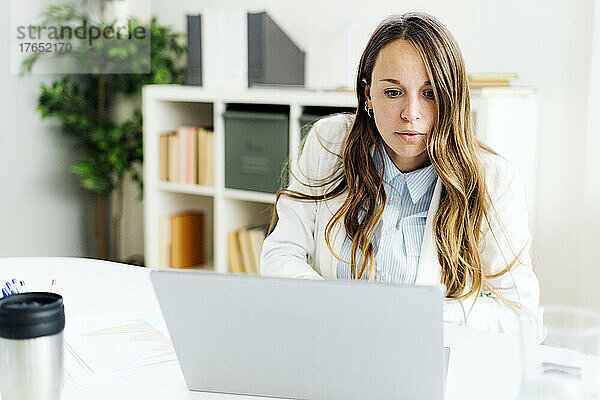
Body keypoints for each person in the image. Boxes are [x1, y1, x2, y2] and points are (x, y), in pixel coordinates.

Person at [260, 11, 541, 336]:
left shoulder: (494, 179)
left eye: (430, 93)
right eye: (393, 92)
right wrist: (325, 300)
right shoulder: (329, 142)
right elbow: (282, 250)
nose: (411, 114)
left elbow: (524, 319)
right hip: (327, 346)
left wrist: (427, 316)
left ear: (452, 97)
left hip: (427, 365)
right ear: (368, 95)